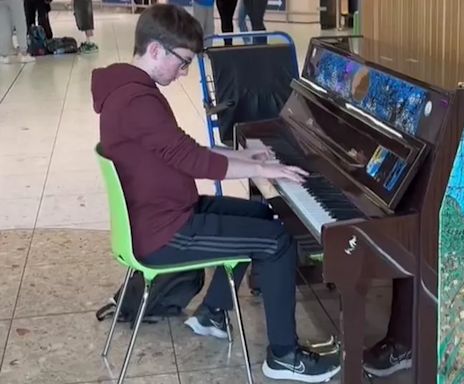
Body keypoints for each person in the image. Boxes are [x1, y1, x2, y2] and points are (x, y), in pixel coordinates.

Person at [91, 4, 341, 383]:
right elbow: (193, 161)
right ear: (156, 50)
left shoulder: (128, 89)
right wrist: (261, 168)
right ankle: (284, 357)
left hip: (166, 210)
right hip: (164, 231)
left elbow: (180, 147)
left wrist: (242, 154)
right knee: (275, 242)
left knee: (264, 216)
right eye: (182, 61)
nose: (184, 72)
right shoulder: (136, 101)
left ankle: (212, 314)